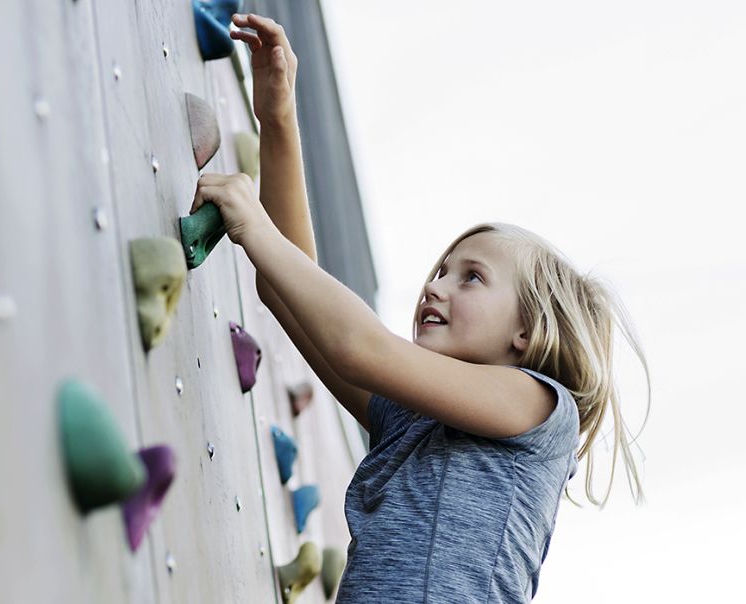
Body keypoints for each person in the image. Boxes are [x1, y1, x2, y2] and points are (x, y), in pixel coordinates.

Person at [193, 13, 650, 602]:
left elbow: (357, 346)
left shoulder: (538, 405)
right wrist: (277, 117)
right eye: (440, 271)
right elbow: (289, 291)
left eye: (472, 278)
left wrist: (253, 222)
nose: (435, 287)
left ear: (526, 332)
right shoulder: (411, 421)